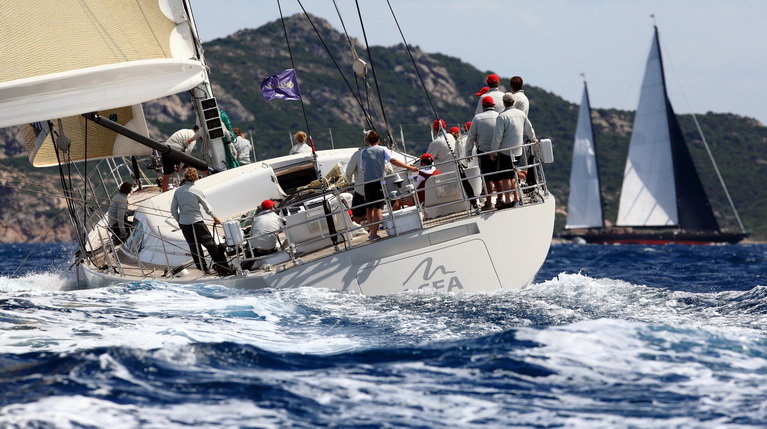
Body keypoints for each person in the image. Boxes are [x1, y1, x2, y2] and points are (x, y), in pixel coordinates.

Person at [170, 167, 231, 275]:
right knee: (210, 245)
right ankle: (222, 266)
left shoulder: (178, 191)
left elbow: (173, 210)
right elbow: (207, 207)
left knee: (194, 247)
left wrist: (179, 221)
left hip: (184, 223)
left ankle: (204, 269)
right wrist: (215, 217)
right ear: (196, 177)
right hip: (197, 222)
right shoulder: (196, 191)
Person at [360, 130, 418, 240]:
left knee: (369, 208)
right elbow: (393, 161)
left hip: (367, 183)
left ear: (367, 140)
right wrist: (410, 167)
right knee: (378, 208)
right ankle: (374, 234)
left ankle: (371, 233)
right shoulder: (382, 149)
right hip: (379, 182)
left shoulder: (363, 152)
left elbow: (363, 168)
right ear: (378, 140)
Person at [491, 93, 536, 209]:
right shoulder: (521, 114)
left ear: (504, 102)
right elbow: (529, 128)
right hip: (518, 151)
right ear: (513, 102)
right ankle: (516, 198)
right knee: (514, 174)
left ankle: (507, 200)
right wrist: (533, 138)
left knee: (506, 177)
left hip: (506, 152)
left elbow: (497, 137)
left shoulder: (502, 116)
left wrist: (494, 152)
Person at [427, 119, 478, 209]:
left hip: (445, 177)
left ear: (434, 129)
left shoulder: (436, 142)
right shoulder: (451, 137)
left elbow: (427, 159)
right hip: (459, 173)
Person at [467, 95, 501, 210]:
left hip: (483, 153)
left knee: (487, 179)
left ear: (483, 106)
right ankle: (500, 200)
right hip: (498, 152)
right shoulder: (499, 116)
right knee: (498, 177)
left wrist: (468, 153)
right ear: (493, 105)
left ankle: (489, 202)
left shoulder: (477, 118)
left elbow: (471, 137)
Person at [162, 125, 201, 192]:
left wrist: (180, 164)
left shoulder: (186, 131)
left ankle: (164, 192)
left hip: (166, 149)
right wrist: (180, 166)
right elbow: (187, 153)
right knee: (194, 163)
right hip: (175, 150)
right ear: (197, 131)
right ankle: (205, 179)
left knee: (167, 174)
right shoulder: (193, 137)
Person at [344, 135, 369, 224]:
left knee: (356, 215)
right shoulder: (380, 151)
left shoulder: (358, 154)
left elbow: (348, 172)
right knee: (374, 210)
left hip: (361, 190)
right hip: (378, 188)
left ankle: (358, 229)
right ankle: (374, 228)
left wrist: (349, 182)